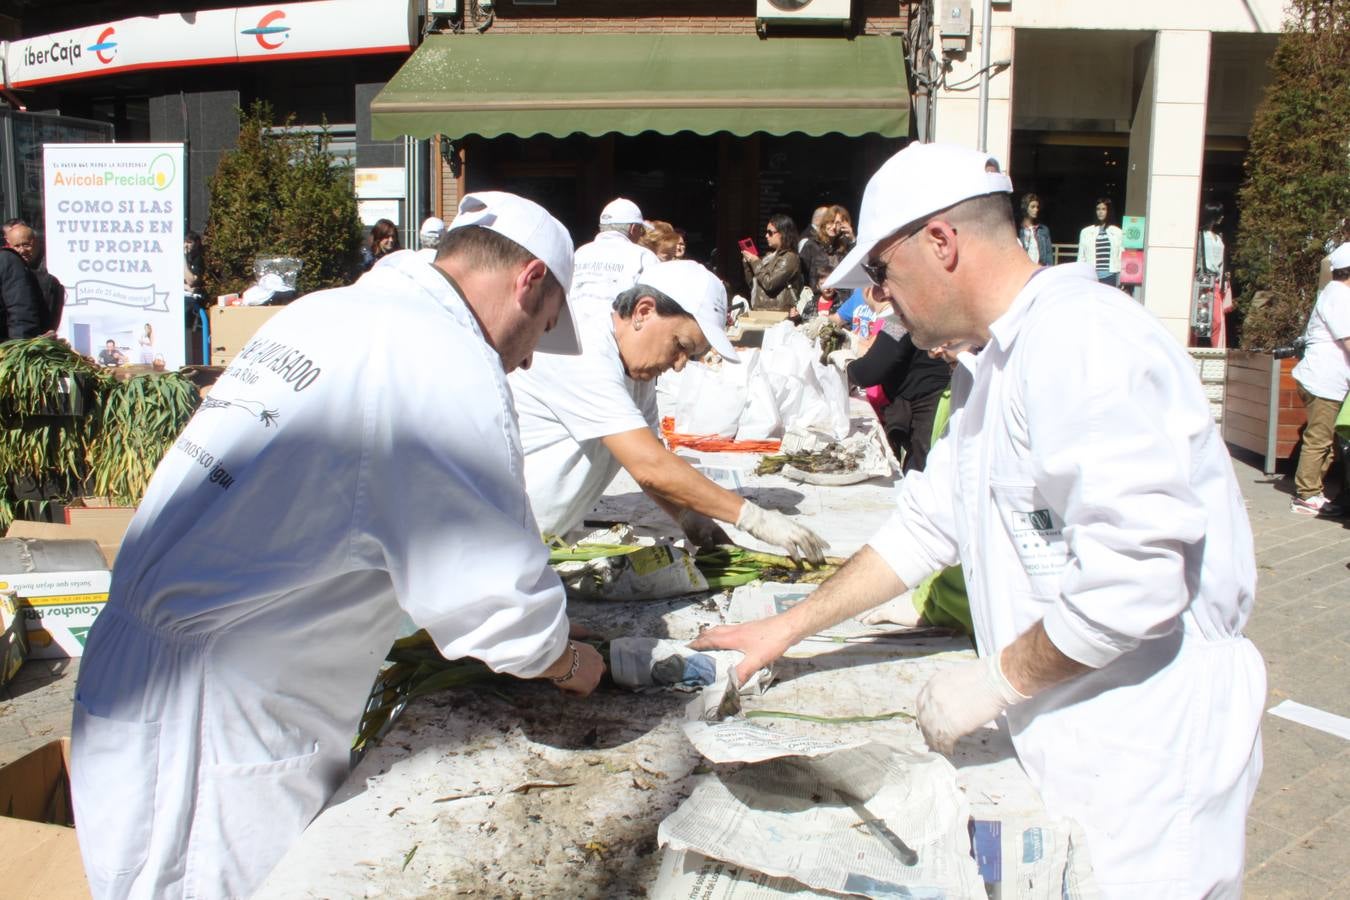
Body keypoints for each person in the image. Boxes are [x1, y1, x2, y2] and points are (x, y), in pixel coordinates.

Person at [694, 142, 1265, 898]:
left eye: (885, 275)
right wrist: (789, 627)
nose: (884, 299)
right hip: (1070, 728)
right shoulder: (992, 365)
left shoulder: (1081, 341)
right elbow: (927, 523)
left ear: (942, 242)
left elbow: (1138, 580)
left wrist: (996, 681)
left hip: (1146, 754)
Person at [70, 191, 604, 899]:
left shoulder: (327, 311)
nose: (530, 358)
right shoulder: (439, 355)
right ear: (529, 279)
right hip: (217, 726)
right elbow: (499, 603)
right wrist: (567, 660)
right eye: (539, 327)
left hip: (143, 675)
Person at [511, 259, 827, 563]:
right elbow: (649, 465)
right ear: (643, 311)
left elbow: (651, 456)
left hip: (539, 542)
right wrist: (752, 517)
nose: (677, 365)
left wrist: (688, 515)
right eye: (680, 344)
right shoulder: (586, 350)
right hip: (508, 536)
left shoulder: (637, 370)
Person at [1289, 241, 1350, 517]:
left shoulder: (1334, 293)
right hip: (1324, 380)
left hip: (1327, 379)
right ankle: (1306, 494)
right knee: (1320, 439)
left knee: (1329, 440)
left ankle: (1315, 491)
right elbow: (1347, 339)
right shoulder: (1339, 296)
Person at [571, 198, 659, 309]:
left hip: (573, 325)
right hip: (619, 325)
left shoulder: (579, 253)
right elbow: (656, 302)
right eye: (641, 230)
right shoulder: (644, 256)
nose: (641, 235)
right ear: (633, 229)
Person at [3, 219, 60, 333]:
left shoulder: (49, 273)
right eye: (17, 246)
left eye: (26, 245)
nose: (22, 250)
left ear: (36, 243)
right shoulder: (8, 270)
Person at [741, 214, 804, 313]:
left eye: (770, 233)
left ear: (783, 234)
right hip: (761, 311)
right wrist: (748, 264)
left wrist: (755, 261)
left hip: (777, 314)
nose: (766, 236)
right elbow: (753, 284)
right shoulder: (769, 257)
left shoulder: (790, 258)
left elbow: (769, 283)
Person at [1196, 201, 1232, 349]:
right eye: (1219, 214)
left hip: (1216, 282)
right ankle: (1194, 347)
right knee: (1199, 317)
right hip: (1201, 280)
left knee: (1217, 320)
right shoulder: (1199, 235)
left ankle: (1217, 351)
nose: (1222, 217)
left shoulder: (1218, 237)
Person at [1077, 198, 1123, 286]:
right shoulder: (1086, 232)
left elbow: (1120, 256)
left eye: (1103, 209)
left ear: (1108, 211)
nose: (1100, 212)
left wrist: (1121, 279)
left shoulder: (1117, 232)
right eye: (1098, 209)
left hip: (1110, 276)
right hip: (1091, 276)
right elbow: (1081, 257)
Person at [1017, 194, 1052, 265]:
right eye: (1032, 207)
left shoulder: (1043, 230)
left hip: (1040, 268)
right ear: (1025, 208)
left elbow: (1049, 254)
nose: (1036, 209)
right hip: (1024, 268)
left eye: (1037, 207)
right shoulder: (1018, 230)